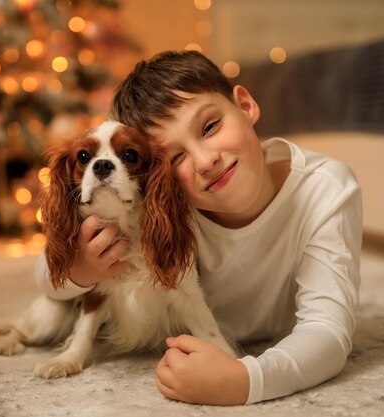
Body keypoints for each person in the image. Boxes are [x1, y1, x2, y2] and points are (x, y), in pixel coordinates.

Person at [34, 50, 362, 406]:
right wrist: (82, 271)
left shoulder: (325, 187)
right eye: (175, 158)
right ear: (153, 175)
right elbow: (45, 274)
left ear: (246, 105)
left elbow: (328, 332)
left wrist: (245, 380)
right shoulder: (165, 201)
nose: (206, 162)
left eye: (210, 127)